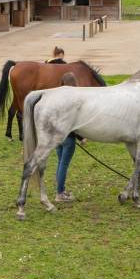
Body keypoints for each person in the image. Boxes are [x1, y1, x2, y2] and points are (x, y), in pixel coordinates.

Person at [55, 71, 79, 202]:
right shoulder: (73, 100)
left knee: (60, 163)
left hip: (57, 136)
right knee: (63, 164)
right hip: (68, 138)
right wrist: (81, 137)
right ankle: (60, 194)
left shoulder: (56, 98)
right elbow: (74, 122)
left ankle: (61, 190)